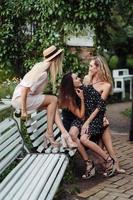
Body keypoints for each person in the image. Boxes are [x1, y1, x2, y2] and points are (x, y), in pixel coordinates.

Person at [59, 72, 115, 178]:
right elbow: (80, 115)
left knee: (80, 135)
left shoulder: (81, 89)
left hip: (80, 121)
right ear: (71, 83)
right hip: (74, 122)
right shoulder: (69, 97)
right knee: (73, 134)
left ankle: (102, 161)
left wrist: (102, 116)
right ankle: (89, 162)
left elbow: (97, 103)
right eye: (76, 78)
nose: (79, 78)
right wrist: (82, 99)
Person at [11, 45, 64, 151]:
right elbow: (24, 89)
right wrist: (24, 111)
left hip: (22, 98)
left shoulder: (41, 66)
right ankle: (50, 134)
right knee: (53, 100)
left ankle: (58, 134)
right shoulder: (42, 71)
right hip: (20, 99)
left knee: (53, 107)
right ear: (55, 59)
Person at [82, 55, 125, 175]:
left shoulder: (106, 85)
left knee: (104, 142)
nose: (89, 68)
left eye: (91, 66)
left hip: (96, 116)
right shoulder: (86, 79)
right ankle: (111, 163)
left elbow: (100, 106)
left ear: (98, 68)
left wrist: (88, 121)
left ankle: (112, 163)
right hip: (87, 116)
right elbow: (83, 100)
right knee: (105, 141)